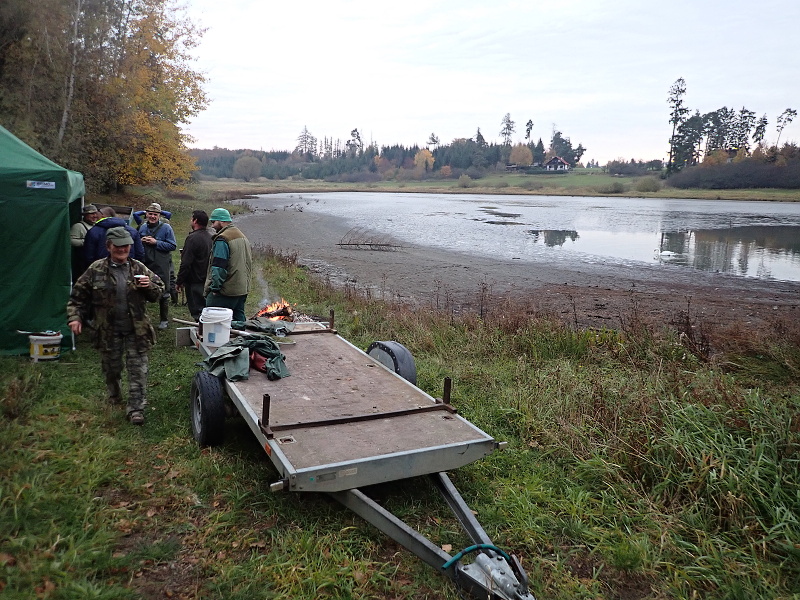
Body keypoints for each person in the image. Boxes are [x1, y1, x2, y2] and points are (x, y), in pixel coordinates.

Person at [67, 227, 165, 426]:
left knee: (138, 370)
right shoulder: (96, 269)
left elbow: (159, 292)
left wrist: (150, 287)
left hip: (136, 330)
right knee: (112, 368)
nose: (123, 249)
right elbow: (77, 298)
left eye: (126, 245)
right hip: (107, 330)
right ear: (109, 246)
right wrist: (75, 318)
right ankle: (115, 396)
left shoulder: (138, 268)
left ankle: (136, 408)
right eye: (118, 246)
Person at [204, 208, 253, 322]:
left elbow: (218, 267)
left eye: (213, 222)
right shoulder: (242, 236)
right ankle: (241, 338)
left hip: (227, 290)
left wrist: (215, 288)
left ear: (221, 221)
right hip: (242, 289)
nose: (212, 226)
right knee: (239, 320)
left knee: (213, 320)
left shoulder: (222, 239)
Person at [138, 203, 178, 329]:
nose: (152, 216)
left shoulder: (166, 228)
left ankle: (164, 320)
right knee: (141, 289)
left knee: (164, 291)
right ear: (146, 215)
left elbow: (172, 246)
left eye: (155, 214)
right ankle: (141, 318)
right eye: (150, 214)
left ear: (159, 215)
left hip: (161, 263)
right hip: (145, 262)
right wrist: (141, 241)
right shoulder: (142, 227)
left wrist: (156, 242)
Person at [176, 210, 213, 321]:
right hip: (207, 280)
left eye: (191, 219)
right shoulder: (210, 236)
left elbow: (186, 263)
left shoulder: (192, 238)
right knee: (206, 309)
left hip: (194, 281)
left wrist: (179, 281)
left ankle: (202, 334)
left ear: (195, 220)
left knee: (198, 312)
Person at [70, 203, 99, 281]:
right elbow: (71, 241)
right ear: (85, 215)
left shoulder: (96, 225)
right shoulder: (78, 226)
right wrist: (87, 242)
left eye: (95, 213)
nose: (94, 216)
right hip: (81, 262)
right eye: (91, 214)